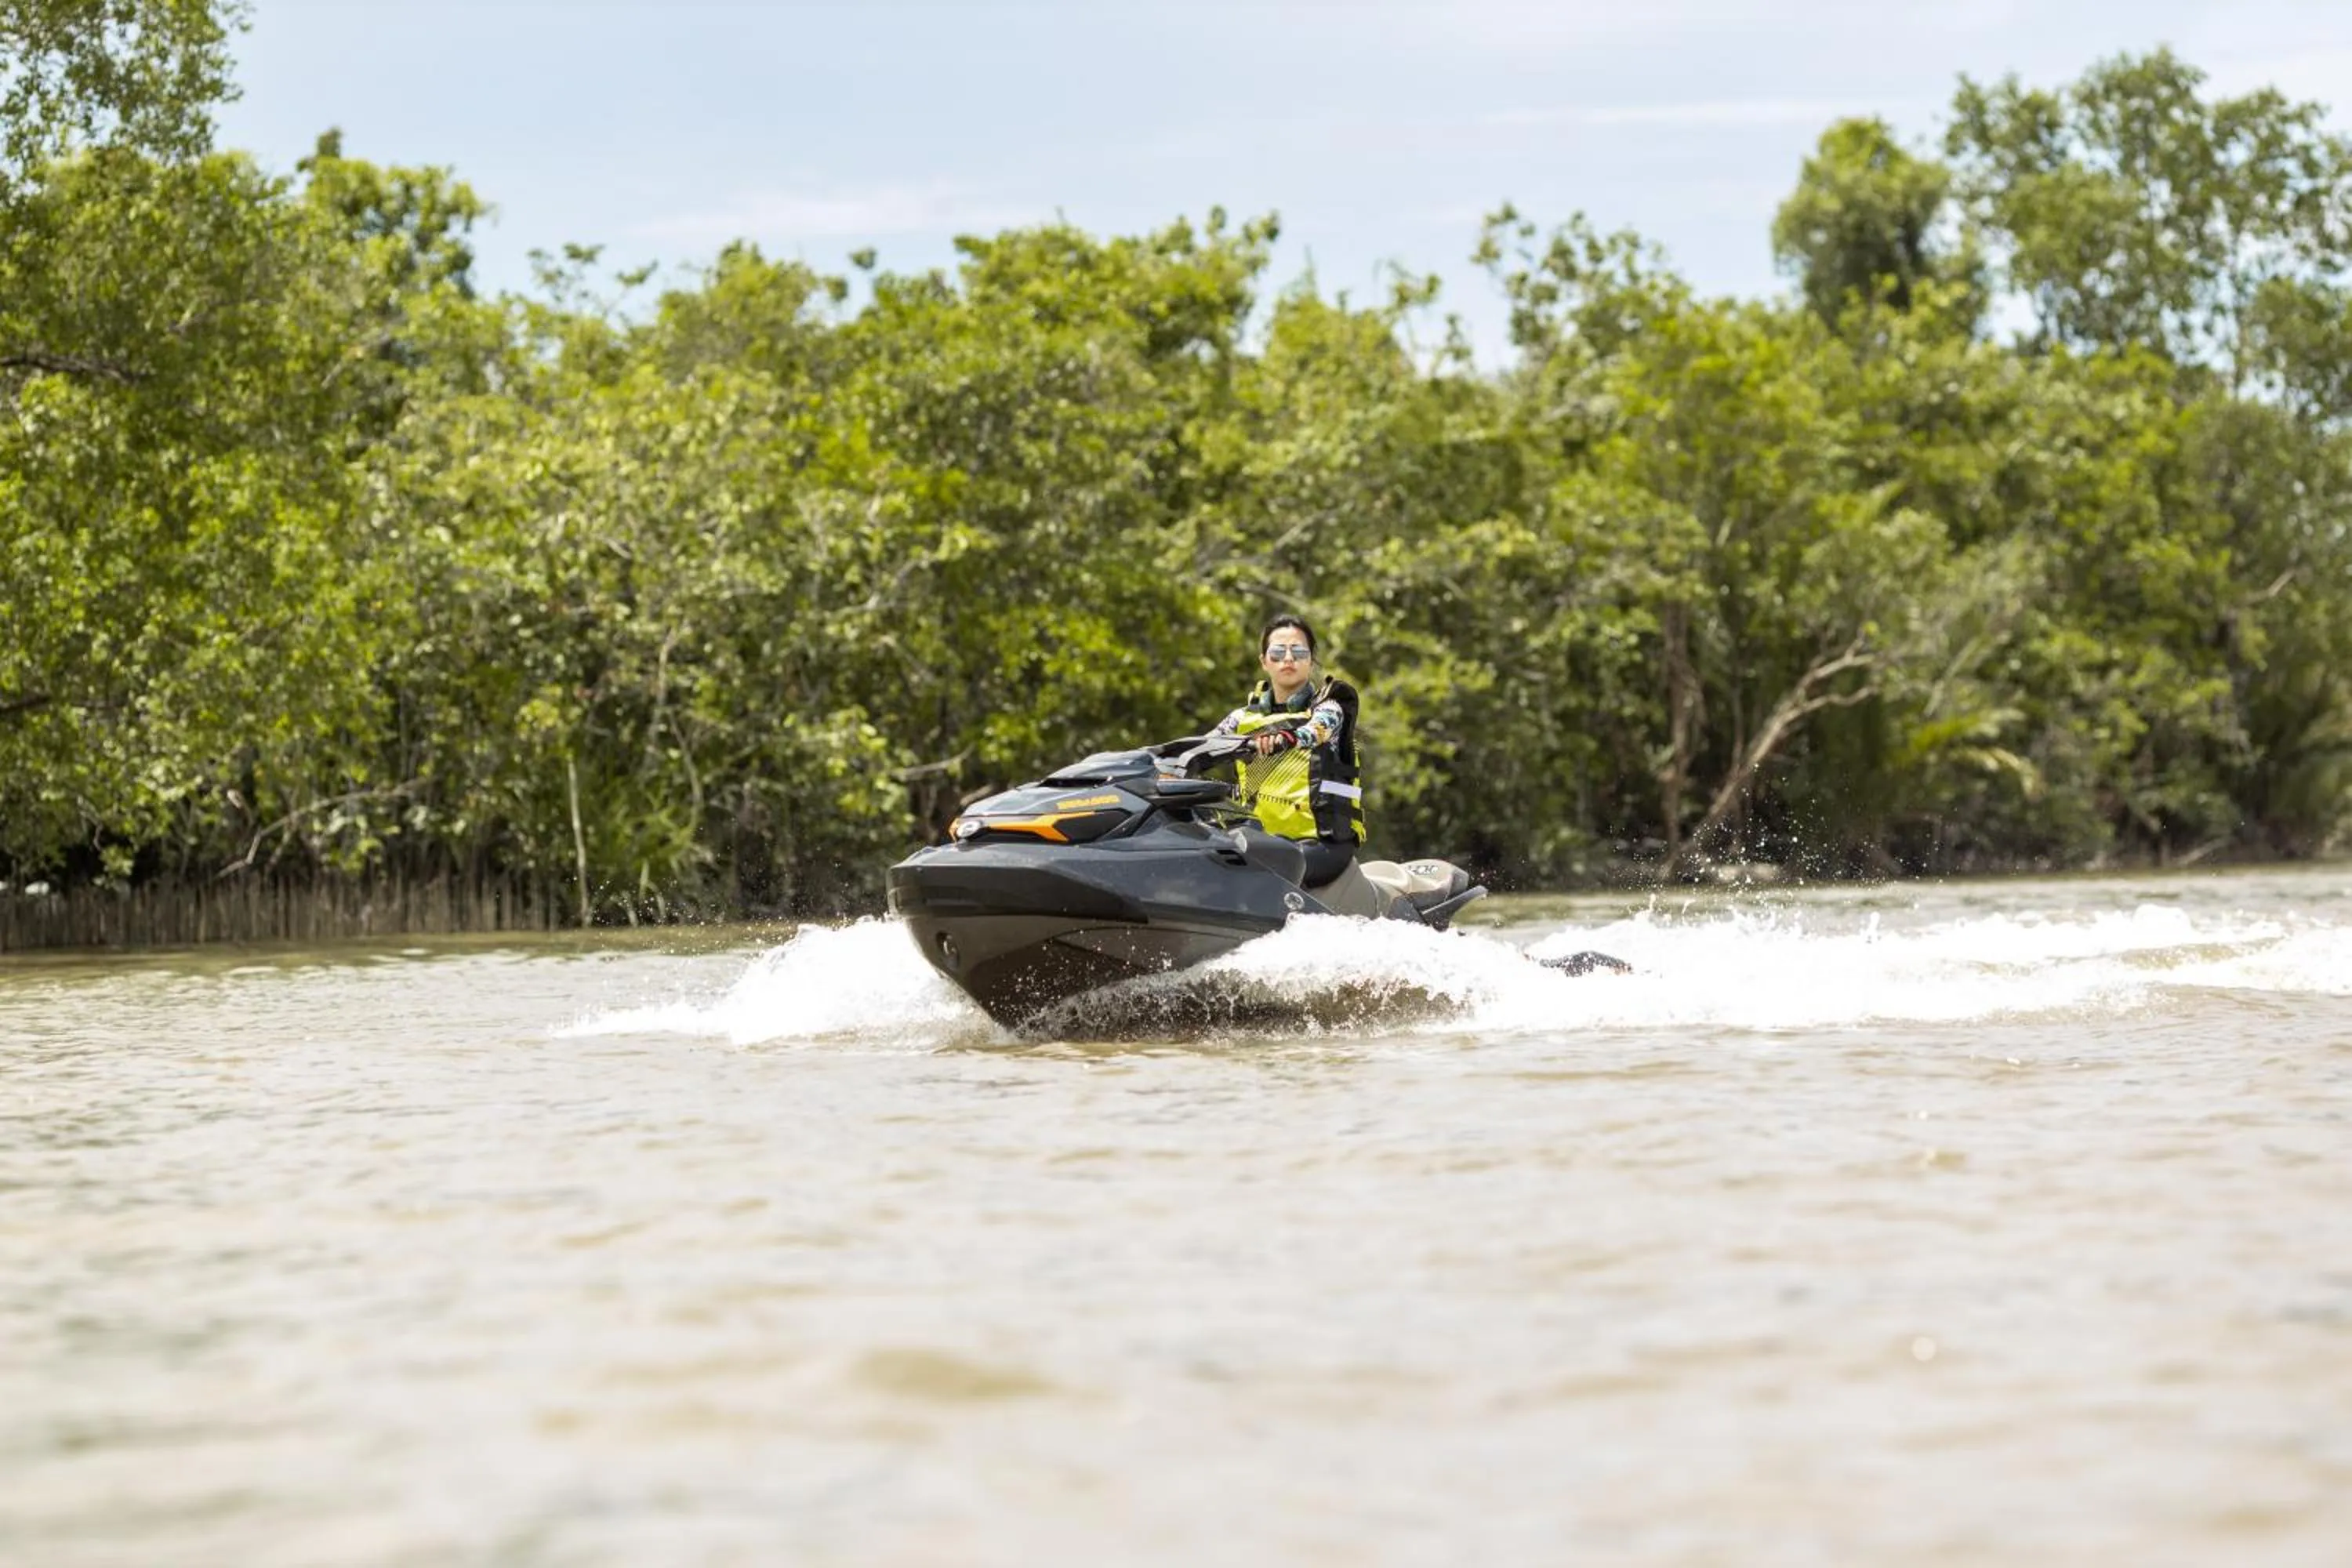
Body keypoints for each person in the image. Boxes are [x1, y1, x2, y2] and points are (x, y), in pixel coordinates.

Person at [1207, 615, 1365, 887]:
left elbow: (1315, 731)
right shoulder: (1240, 719)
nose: (1288, 658)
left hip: (1322, 845)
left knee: (1264, 865)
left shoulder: (1328, 709)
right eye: (1278, 652)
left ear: (1311, 660)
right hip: (1259, 840)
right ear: (1264, 661)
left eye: (1298, 651)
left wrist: (1284, 738)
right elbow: (1204, 746)